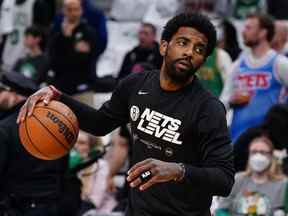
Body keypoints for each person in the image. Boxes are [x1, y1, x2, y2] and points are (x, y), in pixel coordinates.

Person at [18, 13, 235, 216]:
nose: (189, 52)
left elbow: (224, 180)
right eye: (183, 43)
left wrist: (177, 170)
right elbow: (100, 123)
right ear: (163, 46)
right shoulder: (135, 85)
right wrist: (58, 96)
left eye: (199, 49)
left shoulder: (208, 108)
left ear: (203, 60)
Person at [0, 71, 67, 216]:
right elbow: (63, 168)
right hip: (52, 204)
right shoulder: (55, 123)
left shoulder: (5, 127)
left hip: (17, 207)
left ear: (13, 93)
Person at [220, 13, 288, 143]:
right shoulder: (238, 65)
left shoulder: (279, 63)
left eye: (248, 28)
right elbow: (222, 102)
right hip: (238, 139)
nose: (243, 32)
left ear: (263, 32)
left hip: (269, 141)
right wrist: (231, 100)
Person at [216, 136, 288, 216]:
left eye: (263, 152)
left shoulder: (282, 184)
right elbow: (221, 210)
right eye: (254, 152)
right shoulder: (238, 179)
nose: (258, 156)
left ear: (271, 156)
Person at [48, 0, 98, 106]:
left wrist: (68, 41)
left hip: (82, 89)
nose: (73, 13)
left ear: (81, 11)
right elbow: (53, 62)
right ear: (63, 11)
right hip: (61, 90)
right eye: (70, 10)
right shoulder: (56, 33)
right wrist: (67, 39)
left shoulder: (88, 32)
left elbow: (82, 61)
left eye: (76, 9)